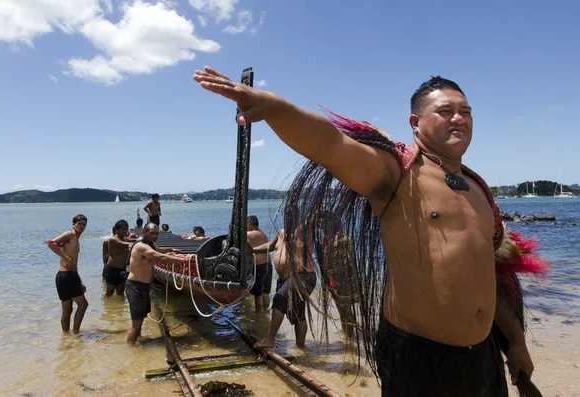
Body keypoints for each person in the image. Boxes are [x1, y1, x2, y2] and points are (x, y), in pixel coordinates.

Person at [194, 67, 549, 396]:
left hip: (484, 355)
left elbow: (495, 275)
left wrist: (516, 342)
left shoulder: (479, 188)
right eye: (446, 111)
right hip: (418, 357)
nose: (459, 118)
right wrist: (274, 107)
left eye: (466, 112)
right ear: (415, 122)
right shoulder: (396, 172)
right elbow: (331, 145)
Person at [251, 224, 317, 349]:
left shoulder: (304, 231)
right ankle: (301, 347)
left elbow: (315, 218)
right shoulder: (281, 233)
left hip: (303, 276)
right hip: (285, 278)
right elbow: (270, 246)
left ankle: (270, 339)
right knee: (298, 313)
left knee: (279, 298)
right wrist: (252, 250)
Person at [125, 223, 185, 345]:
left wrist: (171, 250)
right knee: (136, 324)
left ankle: (138, 345)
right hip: (136, 287)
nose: (154, 235)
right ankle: (131, 349)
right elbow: (158, 256)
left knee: (139, 320)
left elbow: (158, 250)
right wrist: (184, 260)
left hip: (144, 287)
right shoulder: (141, 246)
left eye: (156, 233)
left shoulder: (149, 244)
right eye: (151, 233)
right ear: (144, 232)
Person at [46, 214, 89, 333]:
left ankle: (66, 335)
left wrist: (79, 280)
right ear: (73, 224)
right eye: (79, 224)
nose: (81, 226)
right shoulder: (70, 235)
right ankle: (76, 332)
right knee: (83, 305)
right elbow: (50, 243)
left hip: (67, 275)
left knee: (67, 308)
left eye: (84, 224)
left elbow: (74, 263)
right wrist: (64, 257)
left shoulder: (76, 238)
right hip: (66, 276)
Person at [246, 215, 273, 312]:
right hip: (268, 265)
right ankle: (266, 311)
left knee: (257, 295)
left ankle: (259, 315)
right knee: (265, 292)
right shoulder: (263, 234)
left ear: (249, 224)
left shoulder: (248, 234)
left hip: (258, 266)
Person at [104, 220, 133, 297]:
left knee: (120, 293)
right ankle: (107, 308)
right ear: (117, 230)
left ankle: (120, 309)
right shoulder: (113, 239)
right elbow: (124, 244)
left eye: (126, 229)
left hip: (122, 270)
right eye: (122, 229)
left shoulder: (125, 239)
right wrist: (138, 243)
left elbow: (129, 241)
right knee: (109, 293)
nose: (124, 231)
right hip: (112, 270)